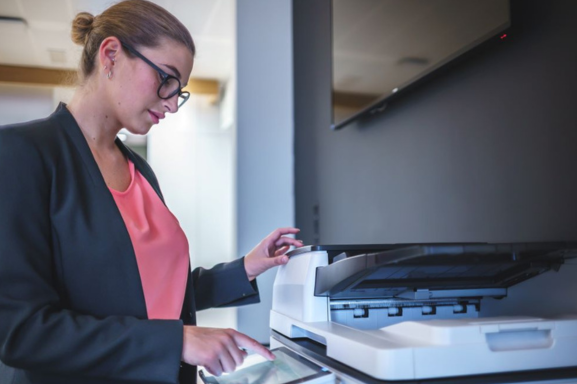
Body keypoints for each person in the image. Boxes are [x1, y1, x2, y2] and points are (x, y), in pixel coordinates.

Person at [0, 1, 301, 383]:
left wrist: (245, 268)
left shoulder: (139, 171)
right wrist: (176, 343)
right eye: (167, 79)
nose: (173, 103)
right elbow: (22, 331)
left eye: (181, 91)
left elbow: (151, 292)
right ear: (111, 54)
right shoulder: (24, 154)